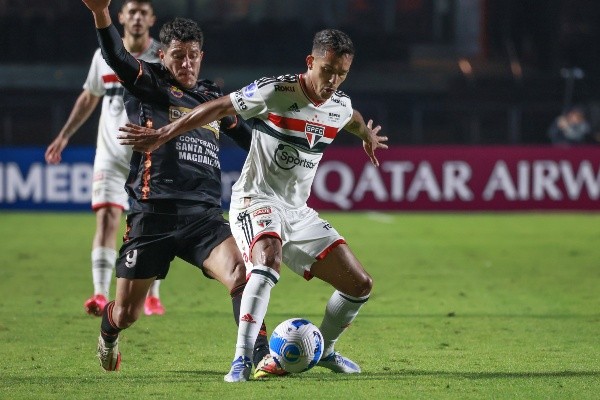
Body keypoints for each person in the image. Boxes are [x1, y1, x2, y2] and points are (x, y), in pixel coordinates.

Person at [118, 28, 388, 381]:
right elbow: (216, 107)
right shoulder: (276, 91)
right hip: (255, 199)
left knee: (360, 285)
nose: (333, 81)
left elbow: (350, 117)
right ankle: (242, 360)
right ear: (311, 62)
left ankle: (327, 349)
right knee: (266, 264)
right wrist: (162, 134)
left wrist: (365, 134)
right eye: (327, 70)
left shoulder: (338, 105)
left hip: (298, 211)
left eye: (342, 74)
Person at [81, 0, 270, 372]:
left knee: (241, 275)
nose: (186, 64)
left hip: (203, 217)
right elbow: (117, 56)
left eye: (193, 56)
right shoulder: (150, 83)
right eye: (178, 56)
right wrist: (100, 13)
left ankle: (260, 356)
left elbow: (249, 138)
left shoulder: (210, 99)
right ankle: (109, 331)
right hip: (153, 215)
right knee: (128, 313)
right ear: (162, 55)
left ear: (202, 56)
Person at [45, 0, 166, 317]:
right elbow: (89, 96)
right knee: (107, 219)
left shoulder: (163, 57)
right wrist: (64, 135)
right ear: (122, 17)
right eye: (131, 11)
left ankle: (152, 296)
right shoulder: (104, 55)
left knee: (151, 225)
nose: (137, 17)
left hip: (148, 157)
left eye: (143, 12)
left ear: (151, 19)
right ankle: (99, 294)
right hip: (110, 156)